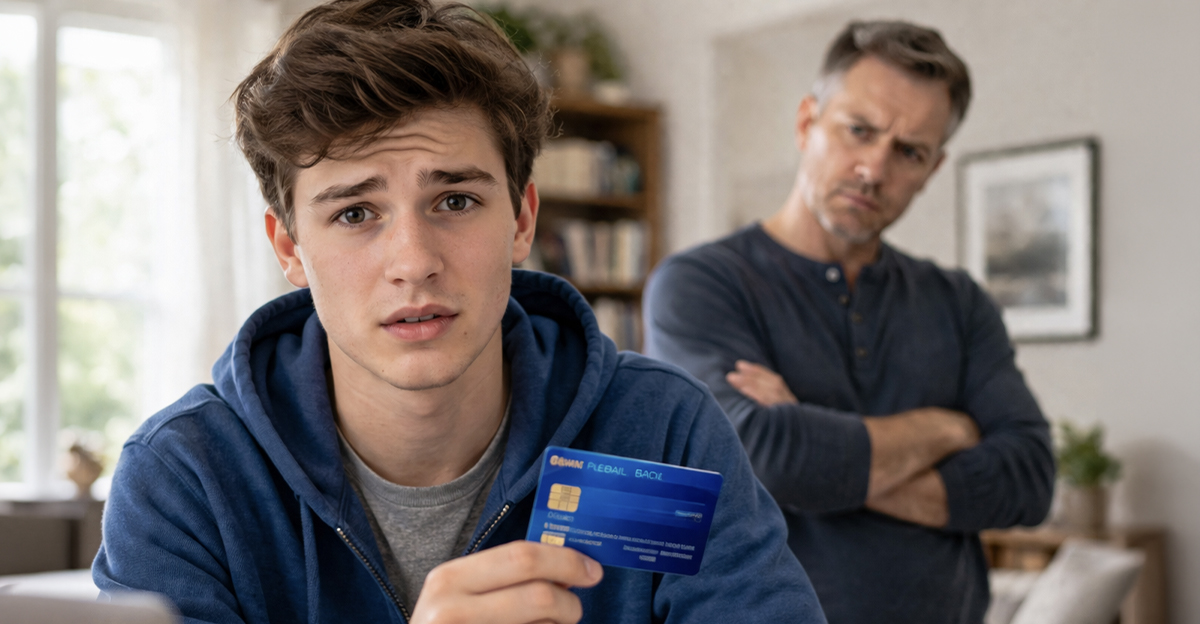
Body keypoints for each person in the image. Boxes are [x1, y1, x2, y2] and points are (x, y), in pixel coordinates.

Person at [91, 2, 826, 623]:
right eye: (355, 213)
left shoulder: (655, 435)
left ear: (521, 219)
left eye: (455, 201)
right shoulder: (188, 477)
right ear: (288, 245)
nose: (413, 260)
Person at [643, 20, 1055, 624]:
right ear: (808, 122)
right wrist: (945, 430)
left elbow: (1028, 478)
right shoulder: (700, 284)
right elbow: (760, 455)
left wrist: (819, 454)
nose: (873, 168)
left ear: (933, 168)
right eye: (858, 130)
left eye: (909, 151)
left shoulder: (958, 301)